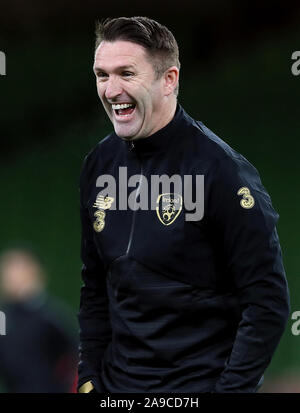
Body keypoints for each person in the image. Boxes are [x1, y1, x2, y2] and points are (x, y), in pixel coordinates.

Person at [77, 16, 290, 393]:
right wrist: (90, 378)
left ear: (169, 79)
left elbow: (267, 302)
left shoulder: (220, 170)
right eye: (101, 74)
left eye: (126, 73)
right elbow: (94, 285)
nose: (111, 90)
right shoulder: (99, 164)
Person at [0, 247, 77, 392]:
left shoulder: (49, 316)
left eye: (17, 269)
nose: (9, 276)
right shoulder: (4, 317)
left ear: (34, 272)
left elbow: (76, 357)